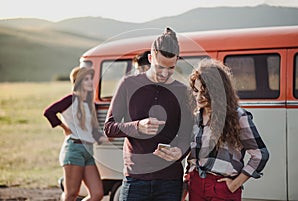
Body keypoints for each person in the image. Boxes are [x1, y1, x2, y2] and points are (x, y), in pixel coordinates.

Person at [104, 27, 193, 201]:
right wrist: (138, 127)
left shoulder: (183, 92)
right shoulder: (128, 84)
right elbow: (109, 128)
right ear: (151, 58)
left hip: (170, 181)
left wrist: (180, 151)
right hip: (135, 179)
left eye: (171, 68)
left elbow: (187, 135)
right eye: (160, 67)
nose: (165, 74)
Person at [185, 58, 269, 201]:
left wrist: (235, 184)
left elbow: (260, 154)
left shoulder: (238, 117)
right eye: (196, 90)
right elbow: (192, 157)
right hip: (196, 185)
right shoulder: (195, 117)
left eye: (204, 92)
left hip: (222, 188)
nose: (198, 97)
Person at [43, 66, 104, 201]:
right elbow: (49, 112)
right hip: (74, 149)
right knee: (71, 194)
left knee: (97, 194)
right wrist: (64, 127)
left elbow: (92, 131)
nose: (90, 82)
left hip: (88, 151)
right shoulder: (70, 100)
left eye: (90, 79)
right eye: (86, 79)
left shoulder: (89, 104)